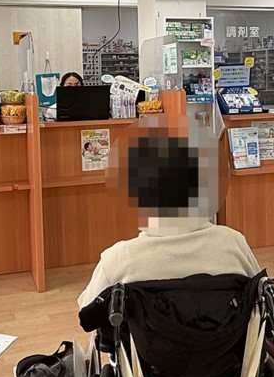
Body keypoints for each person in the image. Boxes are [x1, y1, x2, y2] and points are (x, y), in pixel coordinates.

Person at [78, 119, 259, 308]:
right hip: (227, 328)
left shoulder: (117, 260)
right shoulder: (234, 244)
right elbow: (262, 299)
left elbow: (87, 312)